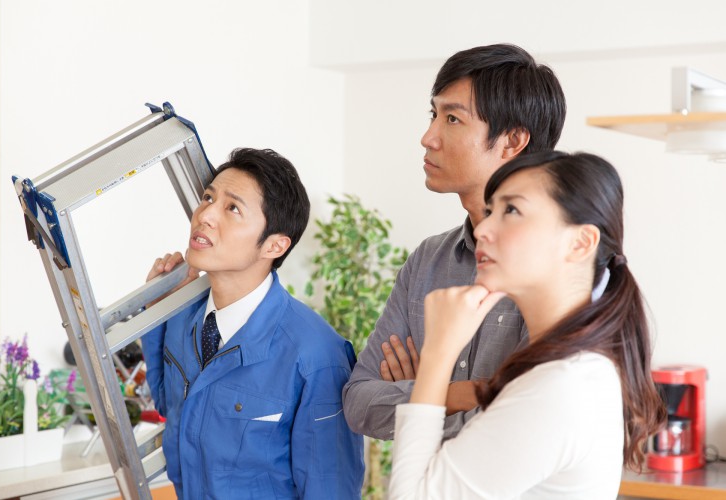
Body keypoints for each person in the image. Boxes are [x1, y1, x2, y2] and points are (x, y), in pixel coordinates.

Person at [387, 151, 667, 499]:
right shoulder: (571, 369)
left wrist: (437, 357)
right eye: (490, 211)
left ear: (580, 243)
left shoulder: (561, 385)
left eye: (512, 211)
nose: (484, 227)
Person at [343, 44, 567, 439]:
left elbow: (517, 425)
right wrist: (456, 393)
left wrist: (425, 389)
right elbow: (359, 402)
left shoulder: (560, 267)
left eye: (452, 119)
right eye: (434, 115)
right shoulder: (429, 259)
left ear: (512, 141)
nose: (428, 138)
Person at [141, 148, 365, 499]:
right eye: (207, 197)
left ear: (274, 245)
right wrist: (155, 309)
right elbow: (171, 408)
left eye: (232, 208)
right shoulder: (182, 315)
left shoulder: (317, 356)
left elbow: (330, 489)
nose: (205, 215)